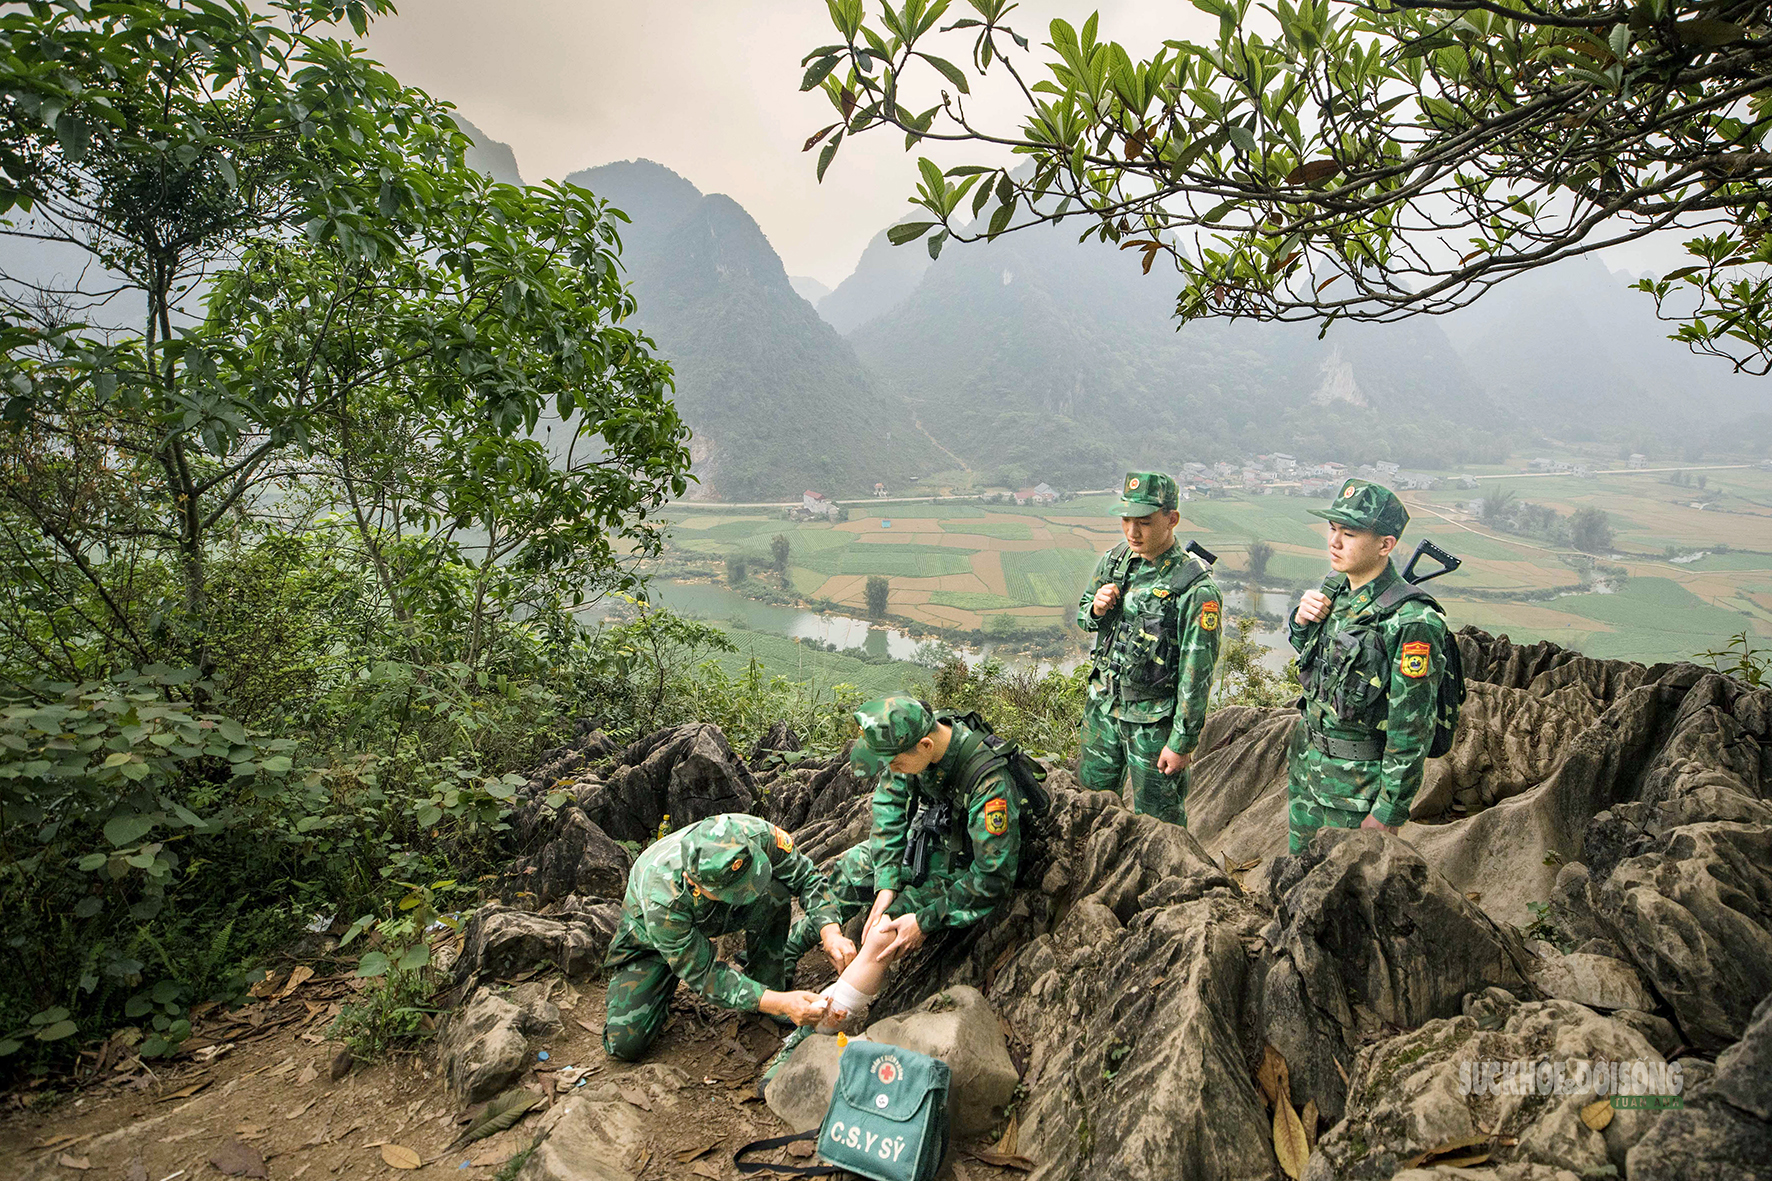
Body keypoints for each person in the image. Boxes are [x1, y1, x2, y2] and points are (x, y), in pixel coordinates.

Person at [781, 695, 1021, 970]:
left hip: (964, 867)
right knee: (853, 870)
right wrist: (886, 883)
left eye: (894, 762)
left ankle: (845, 1002)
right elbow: (889, 807)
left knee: (884, 932)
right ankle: (786, 952)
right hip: (928, 841)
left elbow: (993, 876)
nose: (890, 768)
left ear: (926, 746)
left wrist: (924, 921)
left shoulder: (990, 784)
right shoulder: (911, 742)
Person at [602, 812, 857, 1062]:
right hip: (653, 941)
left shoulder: (753, 833)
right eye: (735, 889)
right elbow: (706, 975)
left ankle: (768, 981)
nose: (749, 889)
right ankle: (663, 976)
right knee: (626, 1044)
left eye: (750, 877)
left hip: (712, 914)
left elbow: (806, 878)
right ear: (692, 882)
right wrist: (781, 1004)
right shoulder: (661, 896)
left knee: (774, 892)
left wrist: (831, 932)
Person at [1287, 478, 1451, 852]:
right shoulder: (1334, 589)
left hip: (1358, 789)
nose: (1334, 541)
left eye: (1350, 533)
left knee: (1343, 898)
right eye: (1332, 529)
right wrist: (1299, 622)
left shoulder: (1412, 621)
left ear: (1385, 545)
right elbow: (1316, 662)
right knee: (1297, 881)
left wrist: (1389, 809)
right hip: (1308, 770)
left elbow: (1411, 728)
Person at [1075, 471, 1223, 826]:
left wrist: (1182, 741)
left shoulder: (1194, 588)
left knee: (1159, 824)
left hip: (1153, 722)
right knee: (1089, 809)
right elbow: (1083, 616)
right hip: (1103, 708)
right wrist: (1095, 608)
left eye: (1144, 522)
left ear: (1171, 519)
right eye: (1126, 520)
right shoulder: (1115, 561)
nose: (1132, 533)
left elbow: (1196, 670)